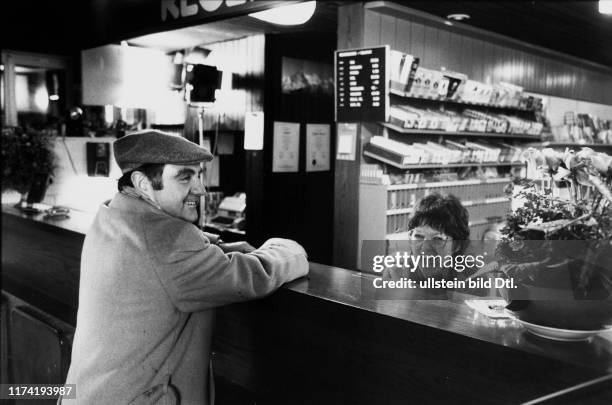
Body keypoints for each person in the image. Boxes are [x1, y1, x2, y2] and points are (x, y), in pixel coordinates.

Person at [61, 130, 309, 404]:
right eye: (185, 177)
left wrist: (221, 246)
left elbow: (167, 256)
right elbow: (252, 277)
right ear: (143, 183)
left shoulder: (112, 215)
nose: (200, 189)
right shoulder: (168, 239)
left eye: (198, 175)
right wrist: (288, 250)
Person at [383, 193, 470, 287]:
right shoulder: (397, 271)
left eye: (437, 239)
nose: (425, 248)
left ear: (457, 245)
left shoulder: (472, 279)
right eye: (419, 236)